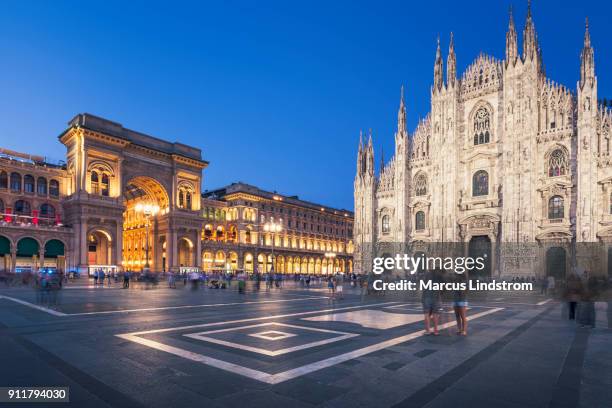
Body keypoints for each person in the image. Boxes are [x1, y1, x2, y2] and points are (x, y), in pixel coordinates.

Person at [421, 269, 442, 336]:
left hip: (427, 296)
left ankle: (428, 330)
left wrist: (423, 297)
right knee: (435, 314)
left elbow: (423, 286)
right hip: (435, 296)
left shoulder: (426, 275)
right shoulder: (438, 275)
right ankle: (436, 331)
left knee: (426, 314)